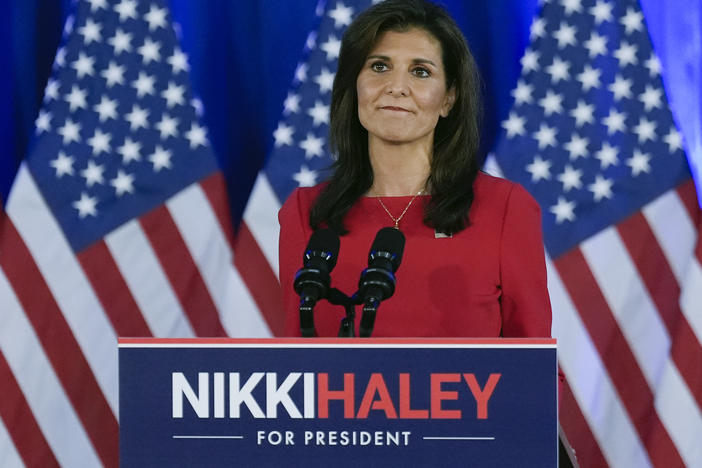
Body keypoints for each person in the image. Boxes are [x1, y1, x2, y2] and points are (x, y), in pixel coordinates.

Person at [278, 0, 551, 338]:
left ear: (449, 98)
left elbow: (534, 368)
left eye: (420, 71)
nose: (396, 86)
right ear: (355, 85)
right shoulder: (306, 213)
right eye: (379, 67)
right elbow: (292, 364)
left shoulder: (505, 208)